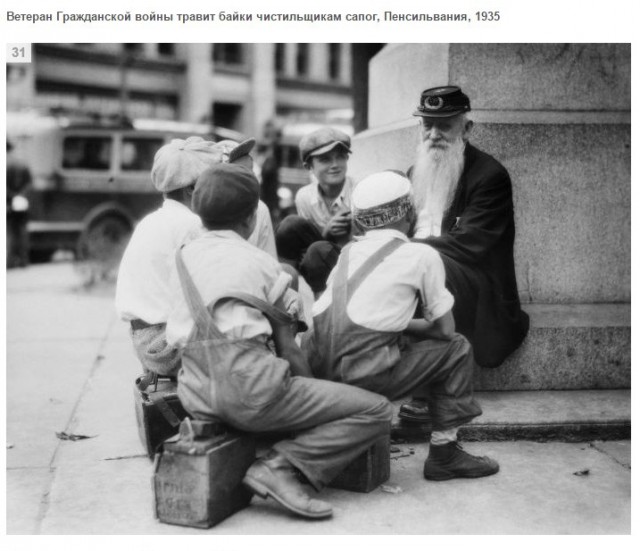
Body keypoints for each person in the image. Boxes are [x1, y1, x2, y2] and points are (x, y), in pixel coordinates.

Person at [165, 163, 392, 520]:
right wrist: (316, 400)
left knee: (263, 403)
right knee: (376, 409)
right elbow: (288, 350)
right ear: (251, 218)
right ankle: (281, 468)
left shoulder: (180, 259)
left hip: (195, 395)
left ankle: (269, 452)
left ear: (198, 213)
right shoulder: (262, 265)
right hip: (252, 393)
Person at [302, 171, 499, 481]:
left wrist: (399, 325)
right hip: (365, 376)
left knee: (396, 338)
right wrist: (408, 325)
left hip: (322, 370)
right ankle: (444, 453)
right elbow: (444, 331)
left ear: (360, 221)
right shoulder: (420, 254)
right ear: (409, 213)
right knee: (457, 348)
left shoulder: (347, 253)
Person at [400, 85, 530, 423]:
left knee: (429, 264)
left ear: (466, 128)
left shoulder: (490, 176)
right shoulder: (415, 172)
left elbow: (469, 244)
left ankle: (427, 390)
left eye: (444, 125)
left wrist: (402, 253)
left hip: (473, 283)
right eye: (427, 125)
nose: (434, 134)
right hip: (415, 268)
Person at [115, 136, 276, 377]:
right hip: (167, 345)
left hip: (145, 339)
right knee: (263, 339)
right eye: (211, 180)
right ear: (192, 189)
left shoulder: (151, 221)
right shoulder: (192, 226)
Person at [275, 126, 355, 294]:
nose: (335, 165)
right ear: (309, 166)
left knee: (318, 250)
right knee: (289, 226)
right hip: (320, 260)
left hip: (356, 260)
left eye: (340, 157)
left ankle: (325, 304)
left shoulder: (359, 190)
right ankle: (287, 293)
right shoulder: (304, 197)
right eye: (325, 160)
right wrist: (327, 232)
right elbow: (307, 251)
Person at [6, 141, 32, 268]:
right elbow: (29, 183)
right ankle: (23, 260)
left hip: (8, 202)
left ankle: (9, 261)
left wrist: (11, 196)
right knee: (22, 231)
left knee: (9, 232)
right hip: (22, 201)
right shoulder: (22, 163)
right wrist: (20, 195)